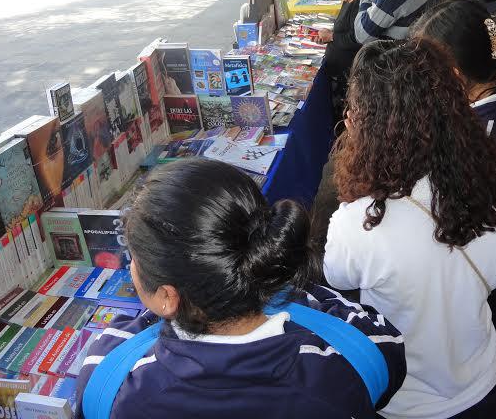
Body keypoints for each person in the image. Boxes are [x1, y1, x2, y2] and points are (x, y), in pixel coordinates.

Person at [75, 159, 407, 419]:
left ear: (166, 297)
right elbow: (385, 365)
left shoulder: (107, 382)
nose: (131, 266)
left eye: (134, 259)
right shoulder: (355, 354)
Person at [324, 39, 496, 419]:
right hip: (484, 384)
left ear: (365, 126)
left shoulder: (358, 223)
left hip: (403, 403)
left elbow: (338, 281)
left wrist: (357, 177)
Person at [413, 0, 496, 411]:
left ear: (453, 76)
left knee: (476, 349)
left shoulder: (476, 135)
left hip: (487, 275)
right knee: (492, 347)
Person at [319, 0, 367, 117]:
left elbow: (357, 38)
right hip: (340, 72)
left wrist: (331, 36)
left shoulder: (362, 3)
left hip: (349, 74)